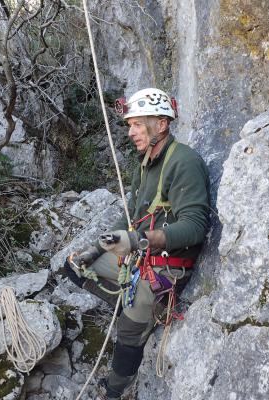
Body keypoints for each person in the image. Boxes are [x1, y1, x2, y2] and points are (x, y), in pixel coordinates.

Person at [64, 88, 210, 399]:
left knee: (127, 331)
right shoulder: (145, 164)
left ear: (161, 124)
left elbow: (196, 225)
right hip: (140, 257)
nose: (130, 132)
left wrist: (140, 240)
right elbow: (132, 215)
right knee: (74, 265)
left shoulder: (184, 161)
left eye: (137, 124)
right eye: (129, 125)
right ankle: (129, 307)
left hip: (164, 269)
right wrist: (98, 247)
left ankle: (116, 389)